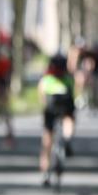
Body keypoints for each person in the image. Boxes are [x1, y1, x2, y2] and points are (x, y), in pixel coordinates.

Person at [38, 53, 76, 186]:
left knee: (47, 141)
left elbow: (41, 95)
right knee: (69, 118)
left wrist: (44, 106)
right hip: (66, 103)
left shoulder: (46, 79)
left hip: (50, 106)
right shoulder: (68, 78)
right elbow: (73, 92)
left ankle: (45, 174)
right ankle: (67, 140)